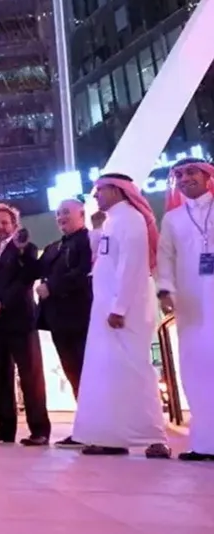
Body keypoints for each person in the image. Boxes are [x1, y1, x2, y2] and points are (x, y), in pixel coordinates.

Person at [73, 173, 170, 459]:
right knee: (109, 372)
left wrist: (119, 307)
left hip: (125, 311)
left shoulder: (131, 219)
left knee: (136, 370)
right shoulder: (112, 221)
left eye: (100, 190)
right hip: (107, 309)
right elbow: (104, 260)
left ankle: (154, 437)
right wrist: (96, 230)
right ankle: (112, 437)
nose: (95, 196)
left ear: (117, 190)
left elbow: (133, 266)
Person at [0, 205, 51, 446]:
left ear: (15, 226)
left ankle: (39, 429)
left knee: (30, 375)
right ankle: (4, 427)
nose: (0, 227)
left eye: (5, 222)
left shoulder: (24, 248)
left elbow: (26, 278)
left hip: (19, 320)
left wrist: (0, 302)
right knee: (0, 375)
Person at [157, 157, 214, 461]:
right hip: (190, 300)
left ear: (207, 177)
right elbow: (165, 256)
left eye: (191, 172)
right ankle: (205, 443)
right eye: (179, 174)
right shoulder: (173, 219)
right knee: (195, 368)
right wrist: (165, 289)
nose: (184, 179)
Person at [37, 199, 93, 448]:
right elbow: (35, 269)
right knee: (73, 374)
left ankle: (94, 428)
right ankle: (85, 428)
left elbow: (83, 273)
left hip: (80, 318)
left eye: (66, 213)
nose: (61, 217)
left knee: (86, 374)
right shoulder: (54, 246)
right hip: (58, 321)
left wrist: (52, 286)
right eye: (58, 213)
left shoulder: (88, 241)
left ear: (81, 214)